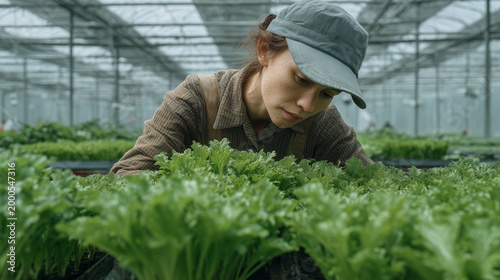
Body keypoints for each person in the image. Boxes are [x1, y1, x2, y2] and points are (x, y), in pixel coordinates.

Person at [111, 0, 374, 177]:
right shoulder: (194, 100)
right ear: (264, 51)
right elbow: (128, 177)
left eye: (327, 94)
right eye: (302, 80)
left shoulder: (323, 122)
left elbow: (374, 187)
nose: (308, 105)